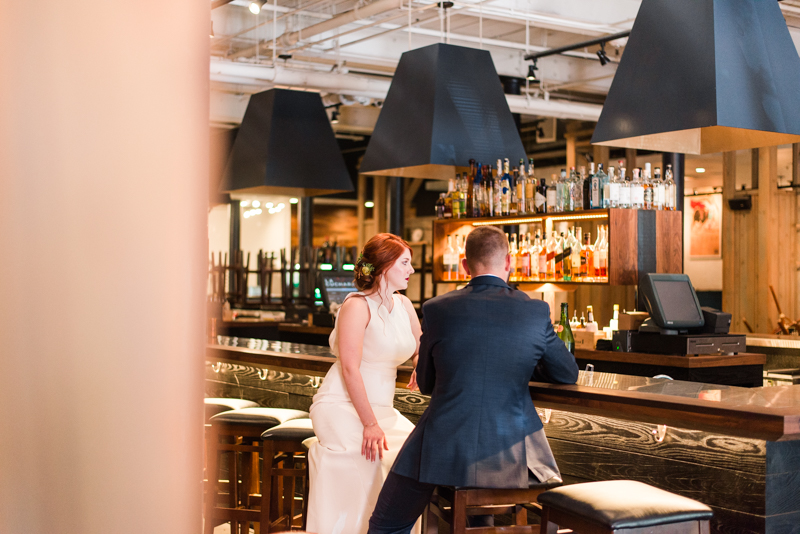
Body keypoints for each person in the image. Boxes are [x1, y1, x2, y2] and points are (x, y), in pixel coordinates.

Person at [367, 225, 579, 534]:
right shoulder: (534, 310)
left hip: (444, 444)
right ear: (509, 263)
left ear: (465, 266)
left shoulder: (437, 309)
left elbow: (426, 383)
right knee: (479, 511)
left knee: (387, 526)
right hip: (511, 451)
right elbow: (566, 373)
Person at [306, 233, 423, 534]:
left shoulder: (405, 305)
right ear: (384, 266)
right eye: (405, 263)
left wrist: (419, 365)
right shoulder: (356, 306)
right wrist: (369, 423)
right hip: (341, 406)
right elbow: (349, 368)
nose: (412, 269)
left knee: (416, 456)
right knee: (368, 460)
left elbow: (421, 344)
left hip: (383, 409)